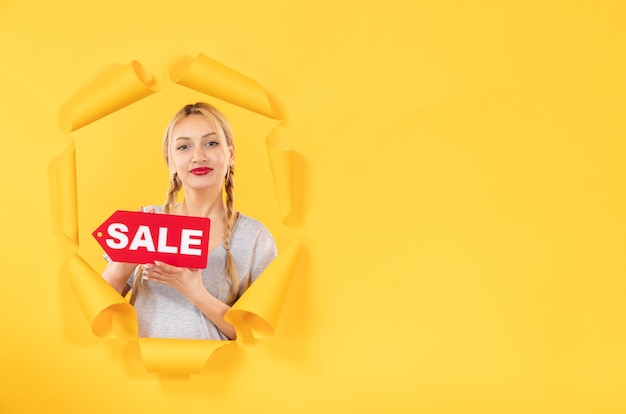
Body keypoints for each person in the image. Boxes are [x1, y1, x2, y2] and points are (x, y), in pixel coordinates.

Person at [101, 102, 277, 340]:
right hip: (142, 374)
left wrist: (195, 292)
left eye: (211, 143)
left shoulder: (253, 237)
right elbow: (99, 311)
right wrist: (128, 259)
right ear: (171, 161)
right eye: (184, 147)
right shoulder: (147, 221)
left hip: (219, 374)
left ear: (231, 154)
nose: (198, 156)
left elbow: (260, 332)